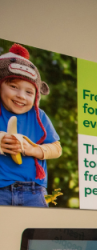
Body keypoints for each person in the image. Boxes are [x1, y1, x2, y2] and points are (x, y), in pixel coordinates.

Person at [0, 44, 62, 207]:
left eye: (29, 92)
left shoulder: (39, 116)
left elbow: (57, 148)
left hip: (33, 191)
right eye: (13, 87)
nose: (21, 96)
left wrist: (32, 149)